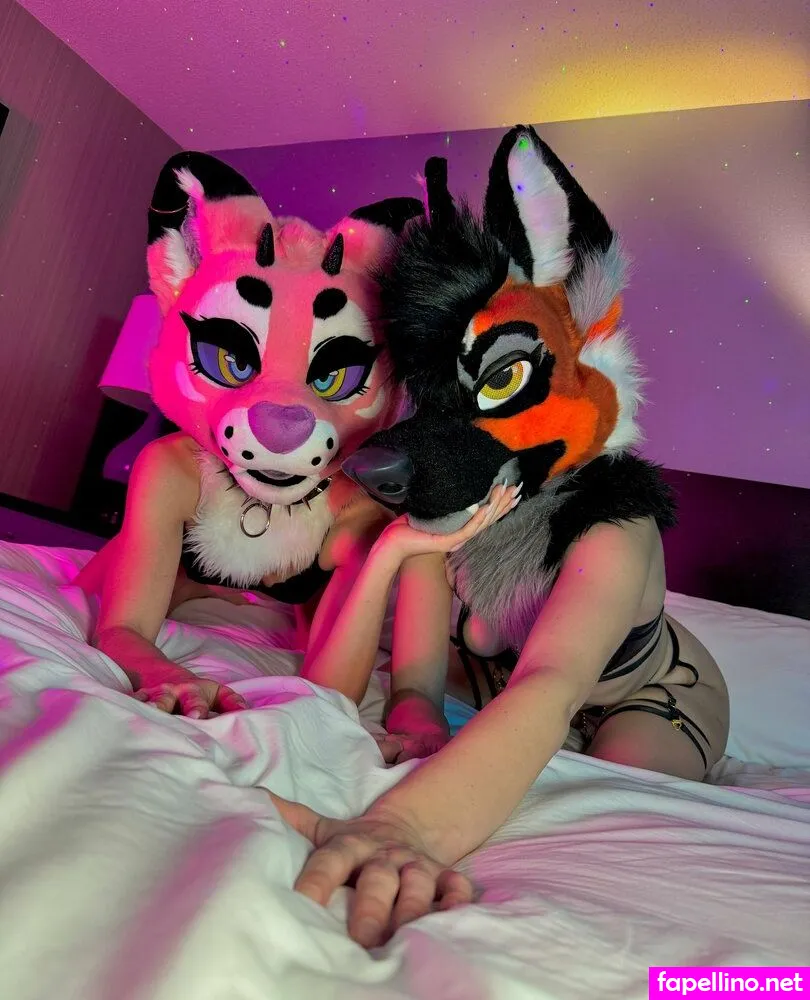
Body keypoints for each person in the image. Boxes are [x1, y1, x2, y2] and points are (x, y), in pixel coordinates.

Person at [271, 127, 730, 948]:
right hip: (500, 675)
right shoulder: (455, 504)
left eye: (502, 376)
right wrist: (397, 568)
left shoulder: (613, 529)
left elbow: (551, 686)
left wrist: (403, 828)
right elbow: (405, 688)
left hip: (650, 694)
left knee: (599, 787)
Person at [76, 151, 423, 718]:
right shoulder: (173, 468)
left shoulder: (357, 509)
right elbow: (122, 629)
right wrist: (167, 673)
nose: (282, 422)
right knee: (97, 580)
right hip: (173, 576)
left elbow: (335, 692)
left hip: (294, 595)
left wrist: (388, 558)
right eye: (232, 361)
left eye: (335, 376)